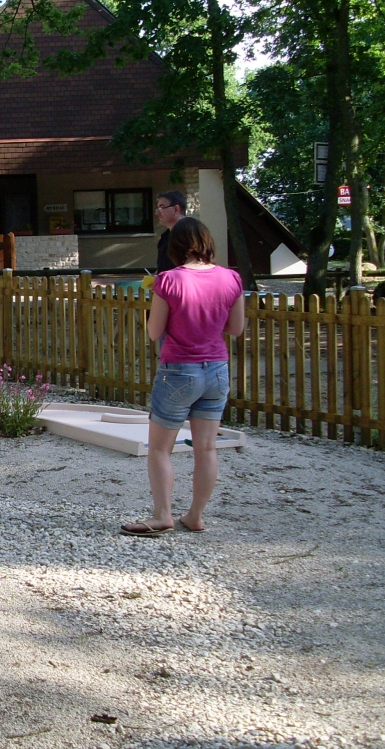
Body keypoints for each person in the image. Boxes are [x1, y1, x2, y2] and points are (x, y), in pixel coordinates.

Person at [123, 218, 245, 537]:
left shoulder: (168, 280)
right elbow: (236, 328)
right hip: (217, 369)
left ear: (175, 247)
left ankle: (163, 514)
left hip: (178, 370)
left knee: (160, 448)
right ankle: (195, 516)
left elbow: (154, 332)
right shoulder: (232, 279)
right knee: (206, 448)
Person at [154, 190, 187, 273]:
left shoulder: (190, 236)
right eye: (157, 208)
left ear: (176, 209)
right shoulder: (165, 237)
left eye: (162, 207)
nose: (157, 213)